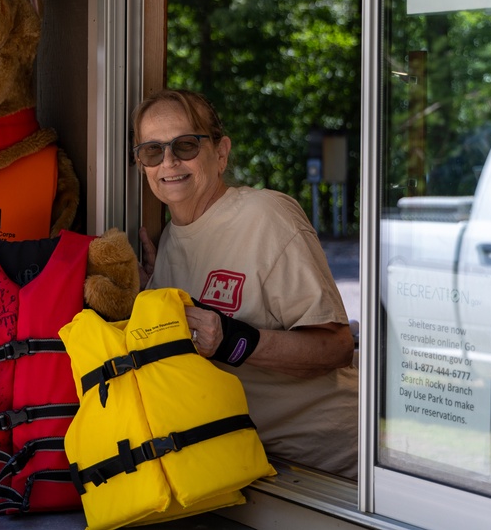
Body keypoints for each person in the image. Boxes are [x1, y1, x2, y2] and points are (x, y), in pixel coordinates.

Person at [134, 89, 358, 479]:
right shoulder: (169, 242)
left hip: (329, 473)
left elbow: (337, 347)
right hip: (247, 470)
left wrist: (234, 340)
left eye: (185, 145)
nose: (168, 161)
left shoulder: (267, 216)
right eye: (153, 151)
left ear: (220, 154)